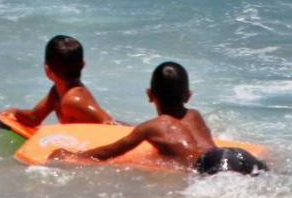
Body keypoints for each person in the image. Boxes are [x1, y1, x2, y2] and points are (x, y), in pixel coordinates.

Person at [50, 61, 268, 175]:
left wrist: (71, 156)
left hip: (209, 166)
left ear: (149, 95)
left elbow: (109, 152)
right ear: (188, 95)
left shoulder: (150, 128)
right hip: (236, 156)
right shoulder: (195, 115)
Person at [0, 35, 117, 131]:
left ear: (47, 69)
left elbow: (110, 123)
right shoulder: (56, 92)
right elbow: (34, 118)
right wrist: (15, 112)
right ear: (83, 64)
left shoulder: (74, 100)